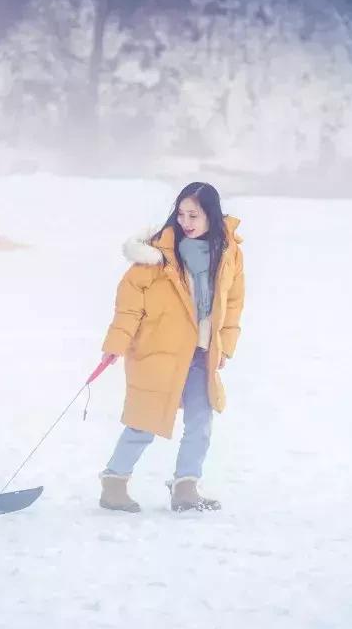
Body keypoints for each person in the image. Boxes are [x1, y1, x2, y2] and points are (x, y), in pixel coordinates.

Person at [98, 182, 246, 512]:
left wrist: (226, 346)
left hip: (202, 353)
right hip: (158, 350)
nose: (186, 222)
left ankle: (186, 488)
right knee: (145, 420)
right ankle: (114, 484)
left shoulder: (229, 254)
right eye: (181, 214)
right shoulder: (157, 256)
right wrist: (116, 343)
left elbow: (233, 302)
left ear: (212, 215)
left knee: (200, 421)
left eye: (194, 215)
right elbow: (129, 304)